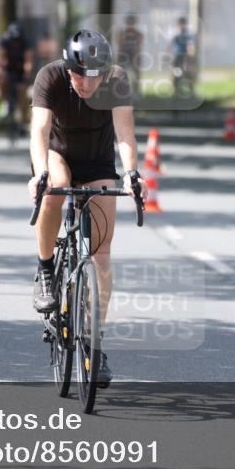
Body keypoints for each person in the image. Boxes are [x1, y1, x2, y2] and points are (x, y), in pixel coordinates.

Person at [27, 29, 149, 387]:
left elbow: (125, 133)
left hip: (97, 164)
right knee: (53, 191)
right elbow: (39, 129)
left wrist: (131, 174)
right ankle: (46, 268)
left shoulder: (116, 81)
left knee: (102, 256)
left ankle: (95, 345)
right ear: (67, 68)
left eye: (93, 75)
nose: (86, 82)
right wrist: (40, 173)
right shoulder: (49, 77)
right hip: (57, 154)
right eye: (79, 74)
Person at [0, 22, 34, 127]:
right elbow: (0, 58)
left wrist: (27, 73)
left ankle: (23, 122)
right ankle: (5, 104)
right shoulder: (5, 41)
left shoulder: (26, 43)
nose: (15, 42)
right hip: (8, 69)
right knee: (1, 80)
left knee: (22, 93)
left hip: (20, 71)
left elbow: (28, 61)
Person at [116, 14, 144, 96]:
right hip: (124, 55)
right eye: (129, 22)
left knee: (136, 75)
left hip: (134, 55)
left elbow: (138, 46)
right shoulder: (122, 33)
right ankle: (120, 90)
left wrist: (136, 58)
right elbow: (119, 45)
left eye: (132, 22)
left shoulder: (138, 34)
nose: (130, 24)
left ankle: (136, 93)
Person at [170, 16, 195, 100]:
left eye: (183, 24)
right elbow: (170, 45)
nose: (182, 26)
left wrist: (190, 56)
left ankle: (191, 91)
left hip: (185, 56)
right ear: (178, 24)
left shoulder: (188, 34)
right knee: (176, 74)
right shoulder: (175, 33)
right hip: (177, 56)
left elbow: (190, 45)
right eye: (180, 24)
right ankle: (175, 91)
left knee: (188, 73)